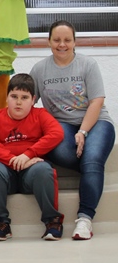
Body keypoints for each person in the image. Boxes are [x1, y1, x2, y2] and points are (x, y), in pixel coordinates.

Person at [30, 20, 115, 240]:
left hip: (96, 123)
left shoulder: (87, 64)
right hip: (62, 126)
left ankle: (85, 219)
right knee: (65, 152)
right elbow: (28, 101)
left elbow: (96, 101)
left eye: (67, 40)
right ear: (49, 42)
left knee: (92, 158)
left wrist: (83, 132)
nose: (62, 45)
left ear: (75, 42)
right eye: (57, 40)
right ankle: (92, 168)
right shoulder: (39, 69)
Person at [0, 73, 65, 241]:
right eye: (14, 96)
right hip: (5, 173)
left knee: (43, 169)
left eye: (24, 97)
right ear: (7, 97)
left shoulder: (40, 115)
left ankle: (52, 222)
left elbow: (56, 133)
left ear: (33, 100)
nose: (18, 102)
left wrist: (27, 155)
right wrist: (16, 161)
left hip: (31, 172)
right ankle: (0, 224)